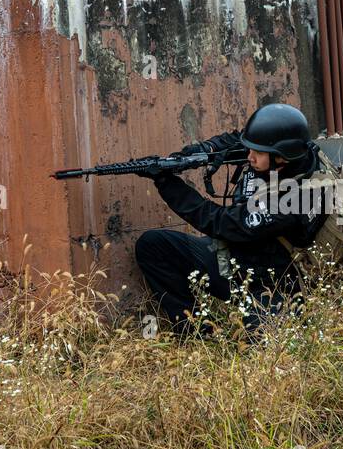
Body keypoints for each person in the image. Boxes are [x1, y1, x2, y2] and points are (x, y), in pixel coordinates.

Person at [134, 103, 325, 334]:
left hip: (269, 284)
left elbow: (219, 222)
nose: (249, 156)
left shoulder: (295, 199)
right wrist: (198, 152)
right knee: (152, 246)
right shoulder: (284, 150)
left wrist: (166, 182)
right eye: (250, 149)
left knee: (267, 349)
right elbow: (235, 141)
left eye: (257, 152)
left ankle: (286, 318)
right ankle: (197, 332)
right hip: (236, 257)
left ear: (281, 158)